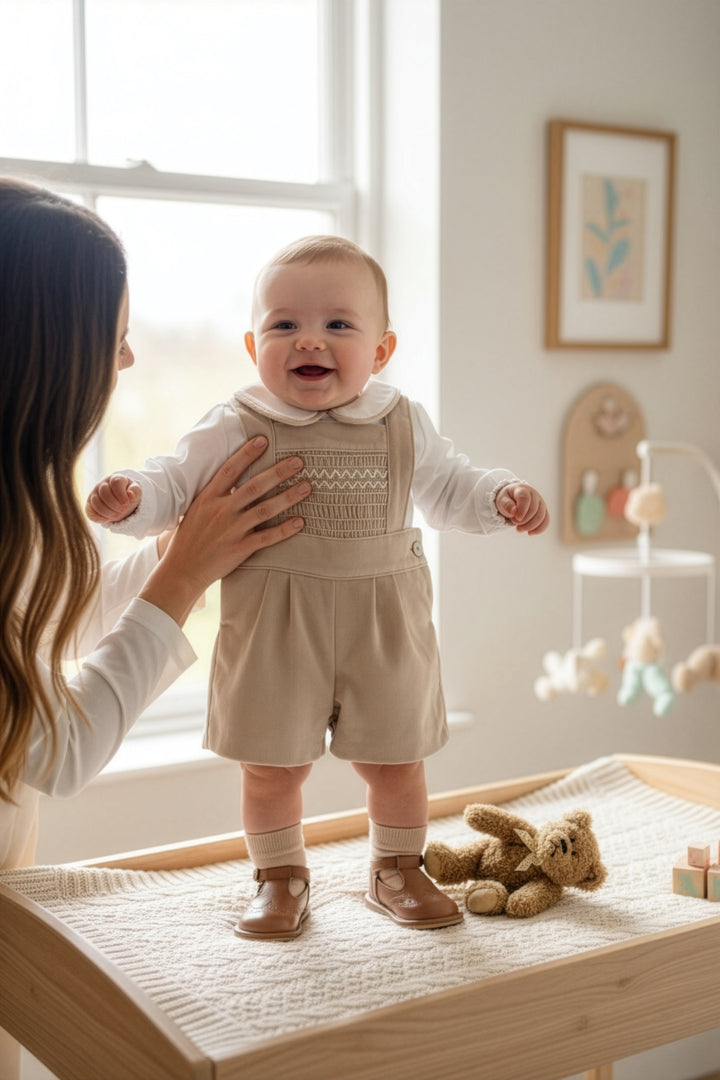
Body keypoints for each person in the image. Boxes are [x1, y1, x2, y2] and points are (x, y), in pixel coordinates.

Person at [87, 235, 550, 941]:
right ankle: (279, 875)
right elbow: (173, 484)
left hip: (383, 615)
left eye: (338, 324)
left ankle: (396, 865)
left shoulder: (400, 421)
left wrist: (501, 496)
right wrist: (134, 497)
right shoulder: (236, 421)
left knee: (398, 758)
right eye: (284, 325)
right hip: (275, 615)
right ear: (253, 346)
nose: (310, 339)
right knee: (271, 767)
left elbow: (453, 488)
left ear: (381, 350)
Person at [0, 179, 311, 1074]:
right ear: (45, 348)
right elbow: (53, 748)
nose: (128, 362)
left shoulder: (21, 509)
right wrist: (182, 573)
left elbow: (48, 624)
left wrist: (194, 537)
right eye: (115, 335)